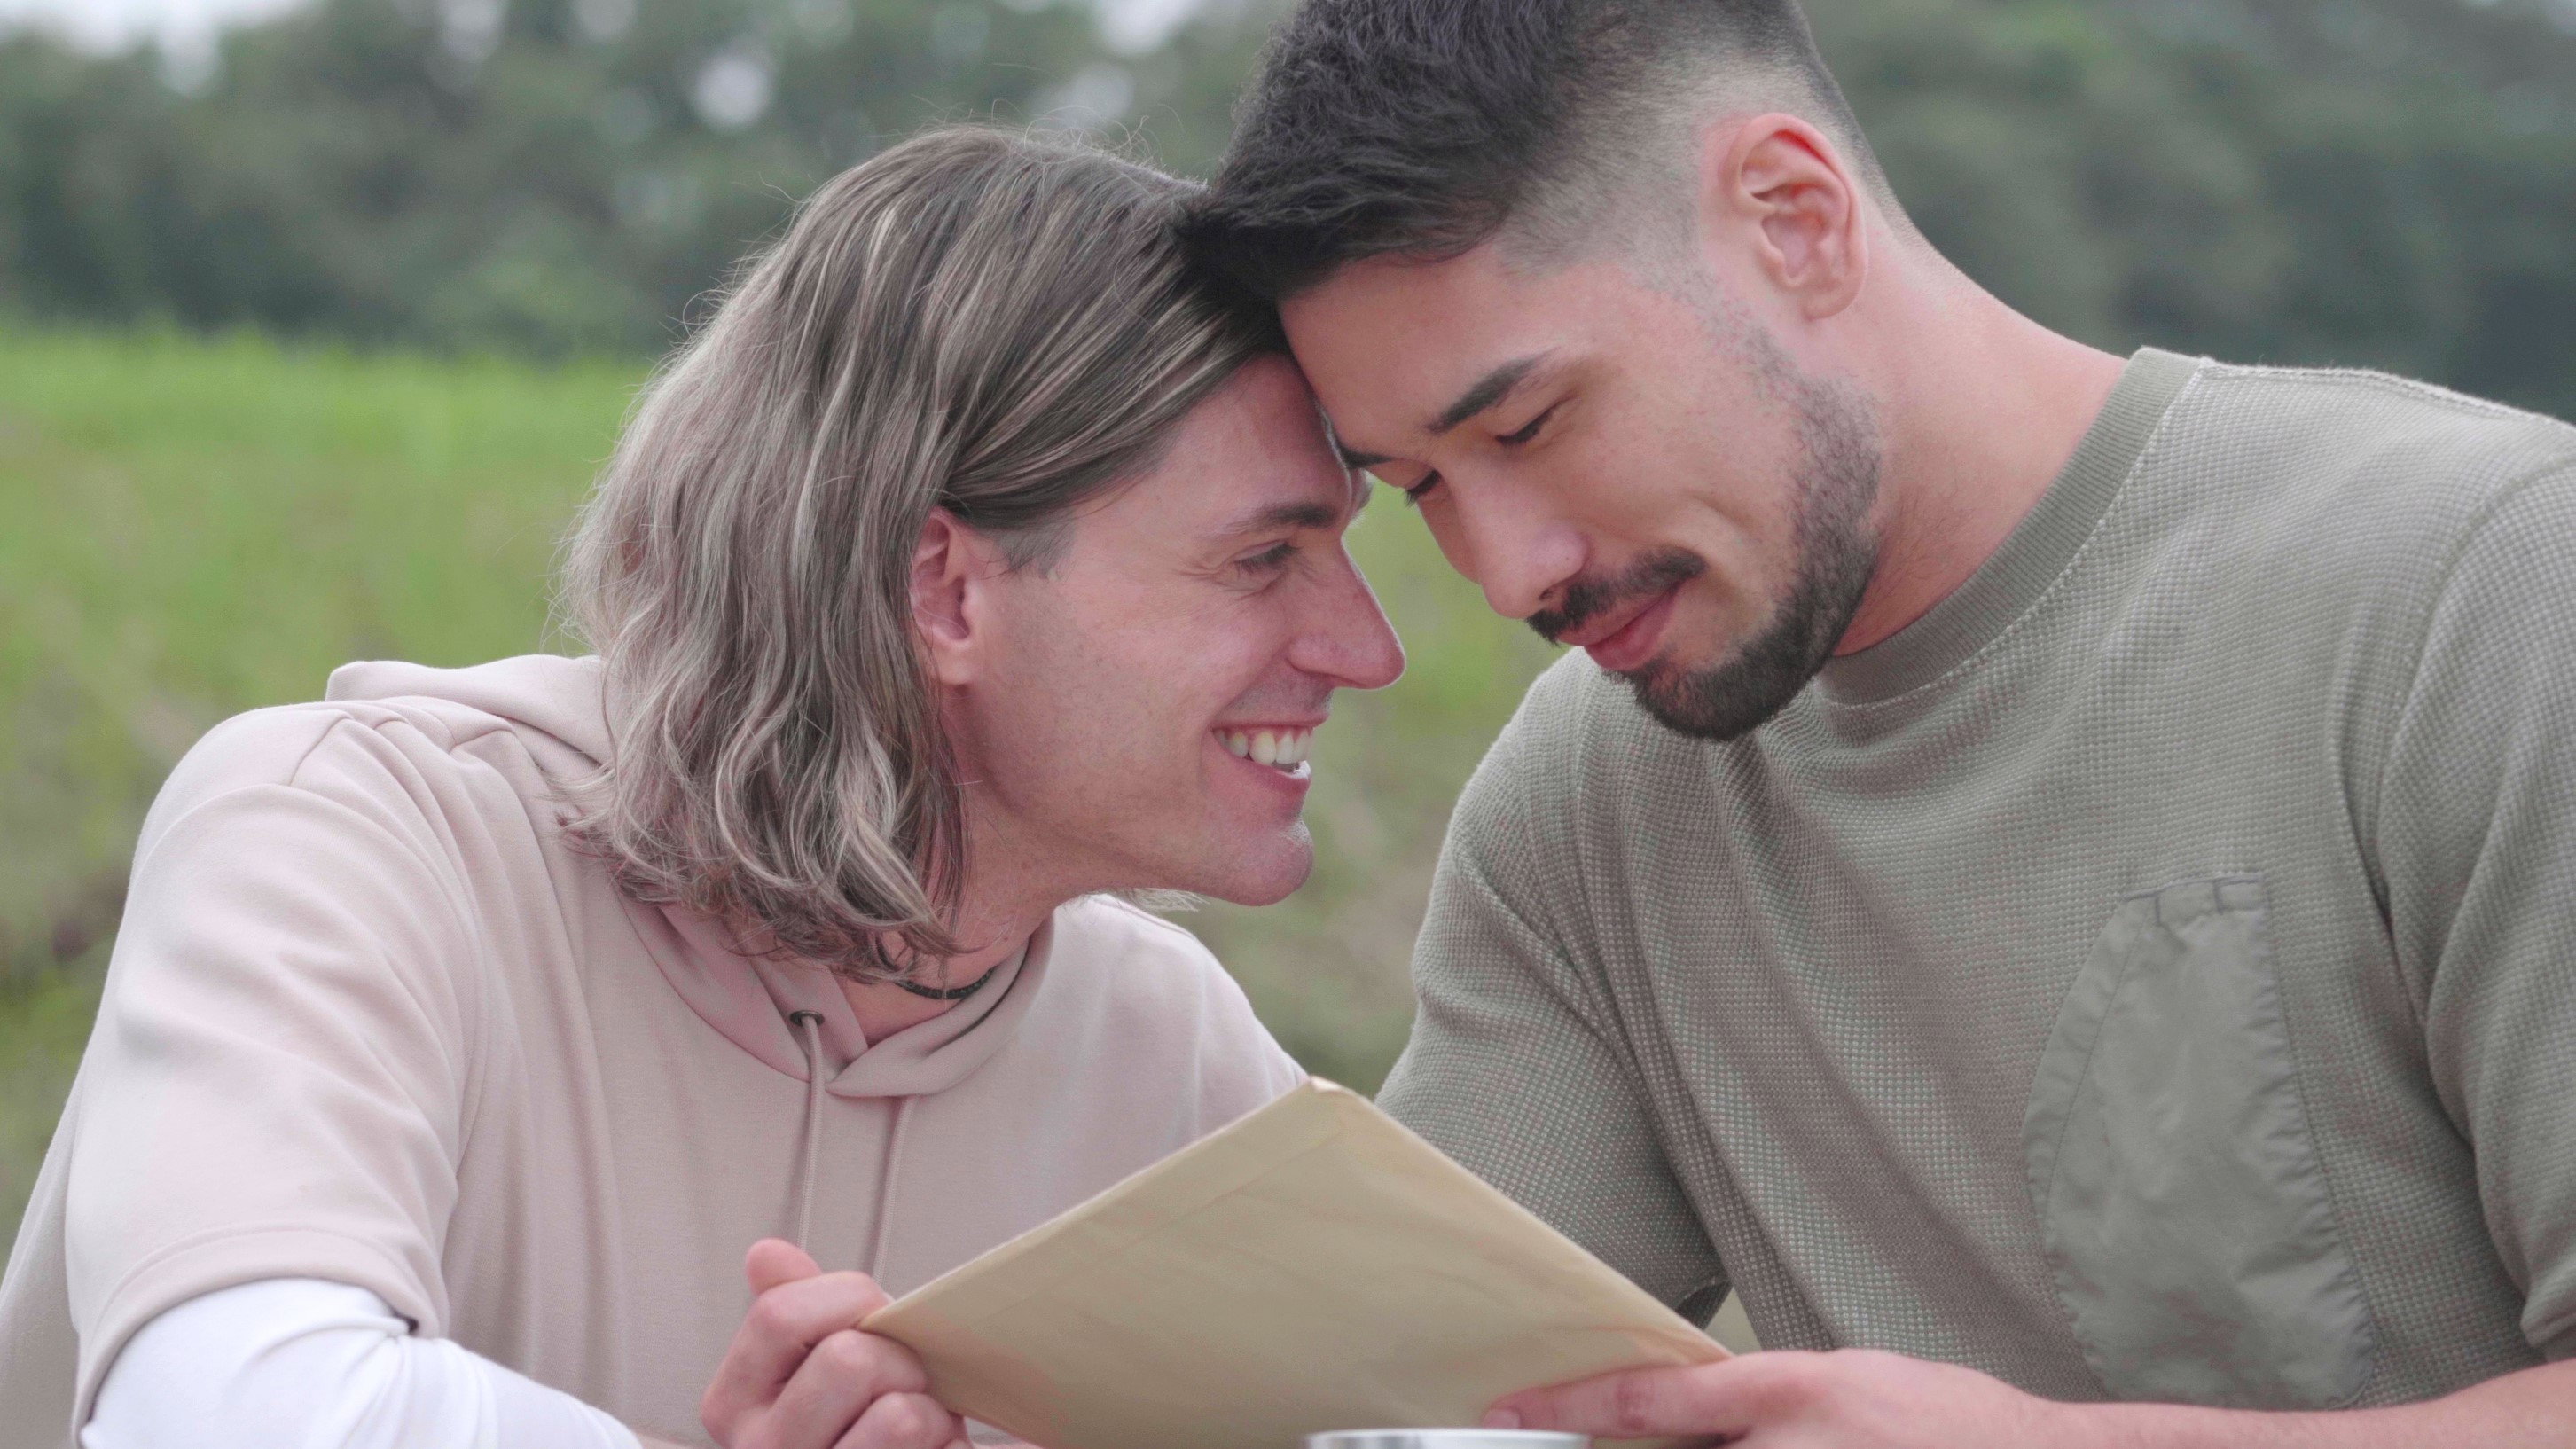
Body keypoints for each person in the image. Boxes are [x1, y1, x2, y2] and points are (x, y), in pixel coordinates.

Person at [1185, 0, 2576, 1443]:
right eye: (1420, 487)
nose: (1505, 571)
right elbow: (1384, 1385)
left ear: (1792, 221)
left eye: (1528, 425)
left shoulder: (2485, 586)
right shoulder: (1587, 802)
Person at [0, 126, 1402, 1449]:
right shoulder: (355, 836)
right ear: (944, 589)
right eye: (1260, 559)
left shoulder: (1168, 1056)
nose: (1366, 647)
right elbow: (233, 1407)